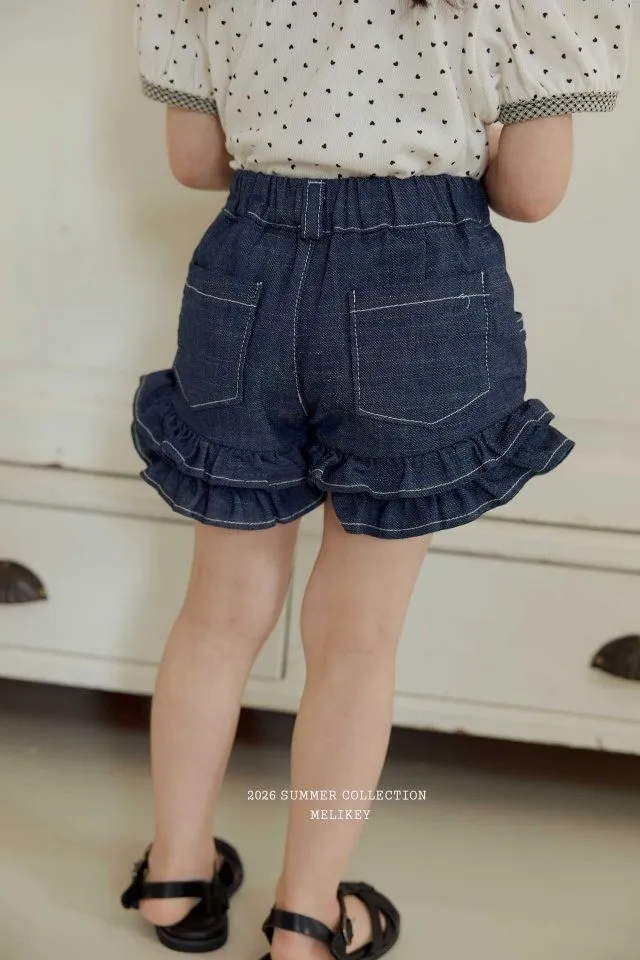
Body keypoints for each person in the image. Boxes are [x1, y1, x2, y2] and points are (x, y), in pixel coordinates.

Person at [120, 1, 632, 957]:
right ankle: (307, 919)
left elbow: (194, 162)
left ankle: (175, 875)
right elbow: (531, 193)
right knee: (356, 640)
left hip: (243, 278)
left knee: (217, 617)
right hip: (420, 288)